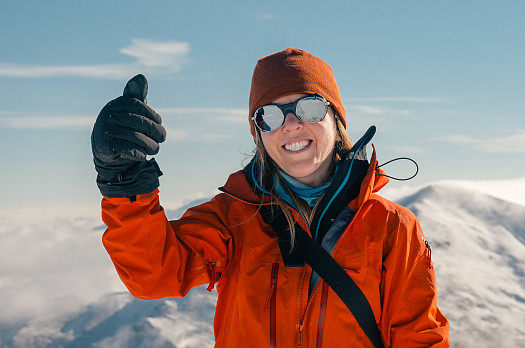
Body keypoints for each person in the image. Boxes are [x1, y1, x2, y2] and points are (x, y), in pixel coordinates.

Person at [92, 47, 450, 347]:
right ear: (259, 132)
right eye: (271, 115)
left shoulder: (392, 228)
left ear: (335, 118)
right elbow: (154, 275)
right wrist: (123, 182)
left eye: (309, 107)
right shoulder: (233, 217)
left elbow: (419, 339)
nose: (290, 124)